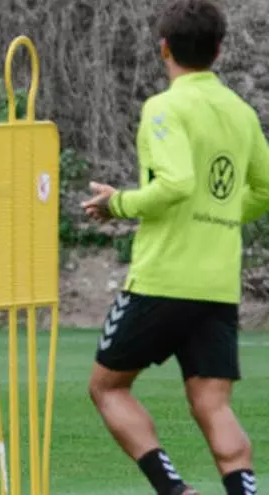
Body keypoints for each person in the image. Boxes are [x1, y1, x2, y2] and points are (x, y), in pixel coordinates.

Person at [81, 1, 268, 494]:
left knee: (107, 387)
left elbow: (177, 183)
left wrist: (117, 203)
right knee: (213, 404)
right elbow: (265, 188)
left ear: (164, 48)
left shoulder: (164, 107)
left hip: (163, 278)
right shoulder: (241, 112)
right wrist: (219, 215)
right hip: (217, 284)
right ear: (219, 51)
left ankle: (175, 490)